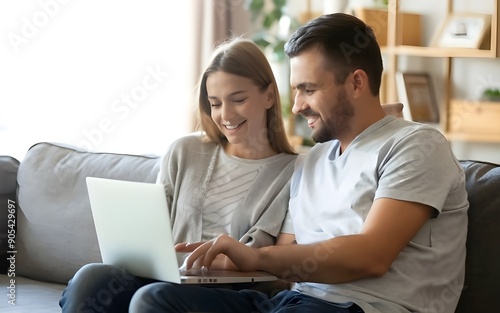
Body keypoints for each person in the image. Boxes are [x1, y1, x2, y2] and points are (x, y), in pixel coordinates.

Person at [129, 13, 469, 313]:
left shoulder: (416, 145)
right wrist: (225, 259)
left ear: (356, 82)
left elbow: (372, 254)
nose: (296, 106)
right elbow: (287, 253)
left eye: (307, 89)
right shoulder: (313, 160)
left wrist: (258, 257)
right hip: (293, 301)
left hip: (363, 306)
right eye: (295, 90)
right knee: (156, 299)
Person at [58, 37, 298, 313]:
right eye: (215, 103)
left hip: (228, 293)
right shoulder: (185, 151)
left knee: (152, 296)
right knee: (92, 277)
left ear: (269, 95)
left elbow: (269, 261)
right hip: (165, 278)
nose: (226, 115)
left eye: (238, 99)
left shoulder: (291, 172)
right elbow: (154, 230)